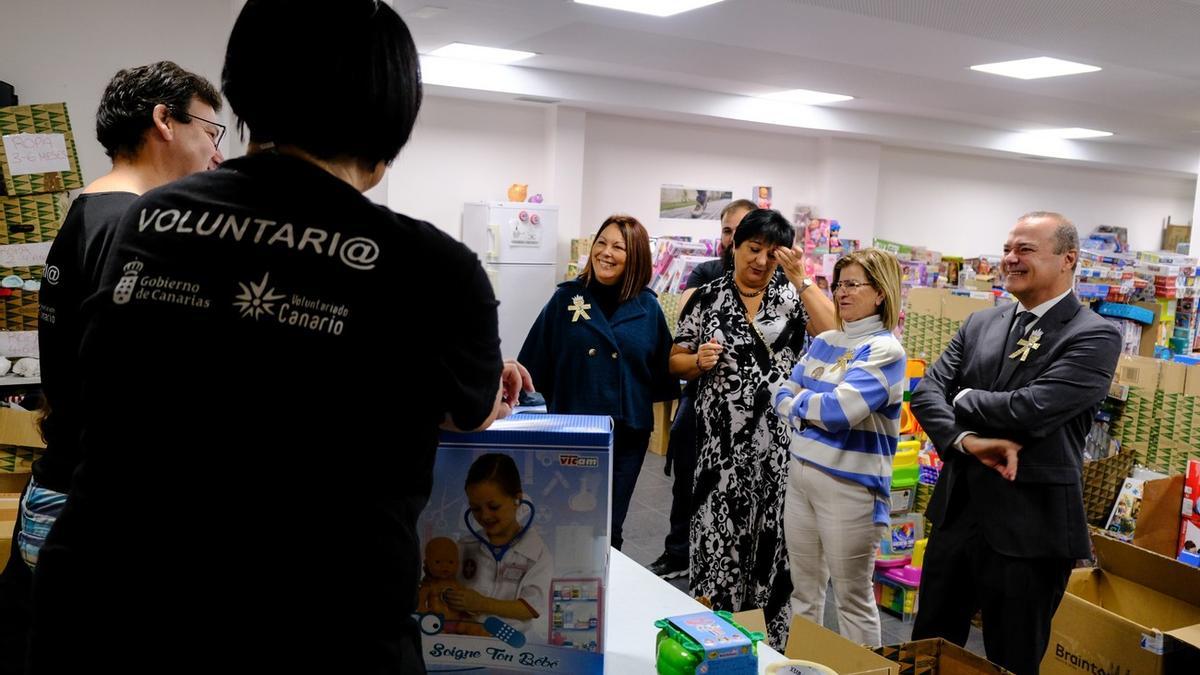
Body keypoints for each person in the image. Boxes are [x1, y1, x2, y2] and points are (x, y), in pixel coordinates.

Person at [28, 2, 531, 673]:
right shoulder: (434, 267)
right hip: (315, 632)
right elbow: (466, 414)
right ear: (391, 132)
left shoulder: (147, 220)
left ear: (242, 98)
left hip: (102, 614)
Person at [0, 60, 224, 675]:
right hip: (99, 515)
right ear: (164, 121)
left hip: (64, 489)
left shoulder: (86, 213)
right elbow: (137, 390)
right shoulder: (132, 225)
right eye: (211, 130)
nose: (215, 153)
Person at [910, 212, 1121, 674]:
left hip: (1031, 528)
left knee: (1012, 660)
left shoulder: (1095, 334)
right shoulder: (981, 323)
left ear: (1068, 259)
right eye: (1008, 249)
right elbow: (925, 392)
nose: (1010, 259)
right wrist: (964, 441)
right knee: (928, 649)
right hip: (958, 514)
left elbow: (1034, 408)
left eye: (1025, 250)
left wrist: (962, 396)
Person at [670, 208, 836, 647]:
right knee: (716, 552)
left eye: (770, 252)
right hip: (719, 457)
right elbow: (675, 359)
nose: (760, 260)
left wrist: (802, 278)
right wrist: (696, 362)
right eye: (752, 249)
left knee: (772, 556)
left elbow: (835, 334)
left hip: (780, 453)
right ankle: (711, 648)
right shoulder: (706, 298)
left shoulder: (792, 298)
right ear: (734, 247)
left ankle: (766, 653)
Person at [772, 248, 907, 648]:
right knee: (804, 592)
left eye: (854, 284)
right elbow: (782, 390)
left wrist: (797, 406)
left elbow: (838, 412)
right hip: (801, 479)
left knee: (852, 599)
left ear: (880, 292)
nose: (842, 292)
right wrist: (803, 404)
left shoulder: (885, 350)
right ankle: (801, 665)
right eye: (839, 283)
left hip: (850, 488)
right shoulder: (825, 340)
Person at [518, 214, 677, 551]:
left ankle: (602, 595)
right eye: (601, 243)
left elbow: (663, 374)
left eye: (618, 247)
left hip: (627, 434)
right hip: (573, 429)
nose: (606, 252)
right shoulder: (567, 299)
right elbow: (532, 364)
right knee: (564, 519)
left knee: (608, 527)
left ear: (634, 256)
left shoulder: (648, 307)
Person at [649, 198, 756, 580]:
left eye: (741, 231)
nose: (732, 239)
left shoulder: (773, 284)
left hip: (750, 408)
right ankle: (679, 550)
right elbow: (687, 324)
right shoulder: (705, 272)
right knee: (687, 476)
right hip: (699, 395)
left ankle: (731, 558)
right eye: (727, 231)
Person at [447, 453, 552, 643]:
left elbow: (530, 608)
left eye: (493, 506)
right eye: (476, 509)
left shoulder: (536, 552)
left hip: (514, 647)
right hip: (466, 642)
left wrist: (481, 604)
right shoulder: (464, 546)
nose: (485, 516)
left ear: (517, 499)